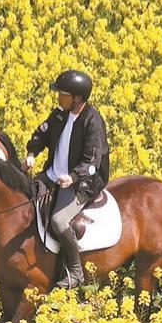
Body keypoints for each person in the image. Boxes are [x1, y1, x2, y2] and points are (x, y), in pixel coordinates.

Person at [22, 70, 110, 288]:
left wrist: (72, 177)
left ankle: (75, 271)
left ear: (77, 98)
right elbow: (40, 134)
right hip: (52, 175)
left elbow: (92, 162)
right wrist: (32, 153)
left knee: (59, 221)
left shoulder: (92, 121)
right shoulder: (60, 114)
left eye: (62, 94)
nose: (58, 97)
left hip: (82, 183)